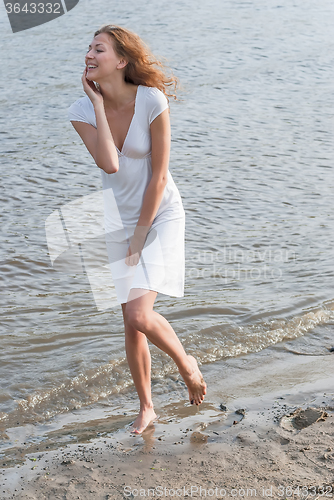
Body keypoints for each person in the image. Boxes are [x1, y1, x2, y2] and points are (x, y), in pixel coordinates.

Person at [68, 24, 206, 434]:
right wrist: (97, 103)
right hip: (117, 218)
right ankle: (147, 407)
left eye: (99, 49)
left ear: (122, 60)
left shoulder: (151, 99)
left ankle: (187, 364)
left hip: (160, 213)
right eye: (89, 49)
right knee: (129, 322)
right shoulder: (80, 110)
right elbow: (110, 163)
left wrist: (141, 235)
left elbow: (159, 176)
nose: (90, 55)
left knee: (139, 313)